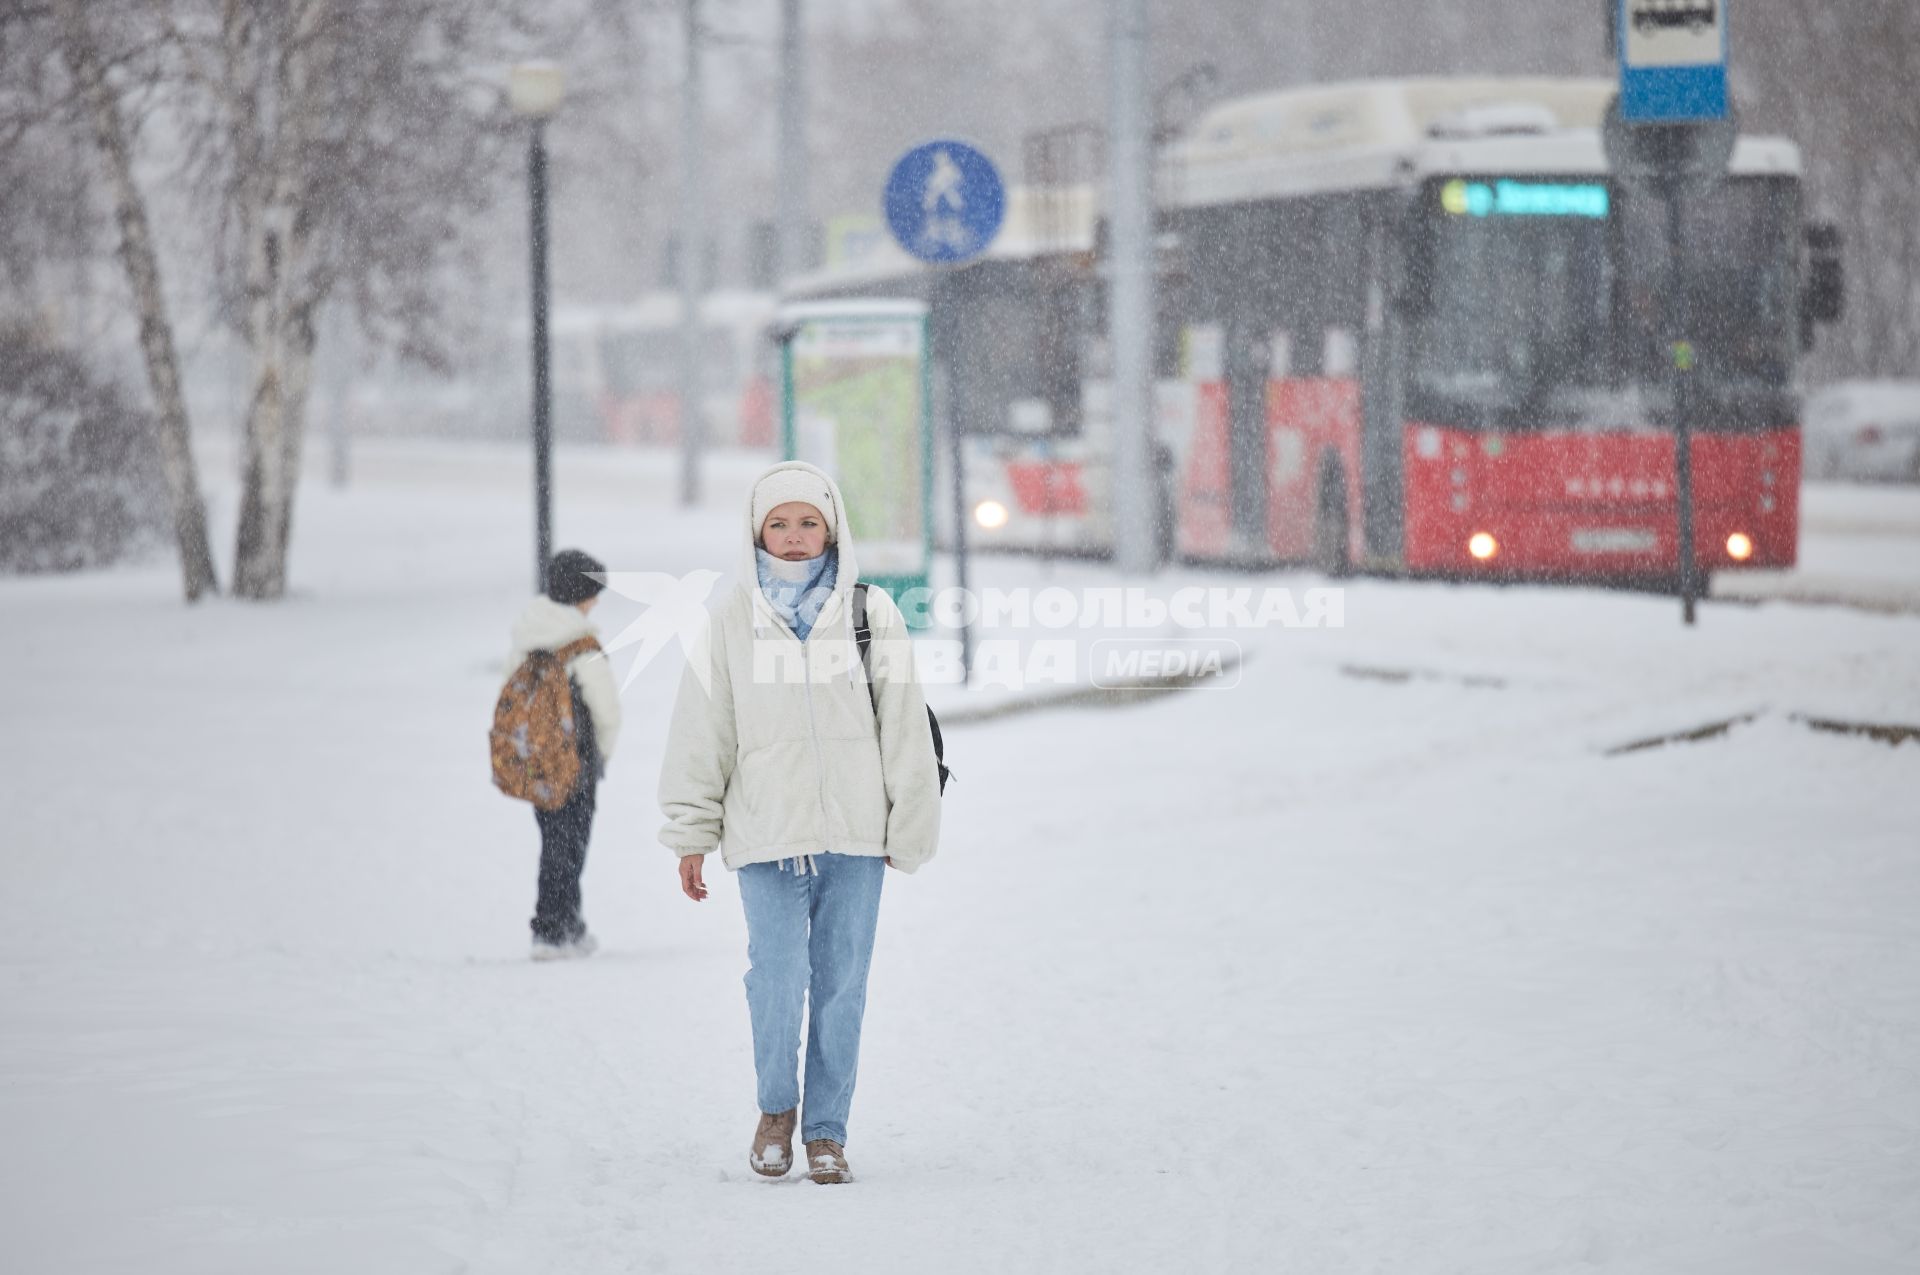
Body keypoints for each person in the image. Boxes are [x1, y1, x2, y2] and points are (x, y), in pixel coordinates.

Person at [658, 461, 941, 1185]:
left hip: (855, 835)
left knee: (843, 984)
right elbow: (702, 731)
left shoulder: (868, 613)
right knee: (779, 977)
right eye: (777, 523)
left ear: (832, 528)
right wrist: (692, 831)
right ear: (756, 530)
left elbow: (904, 728)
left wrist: (909, 824)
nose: (792, 537)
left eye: (807, 522)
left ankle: (826, 1131)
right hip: (767, 834)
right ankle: (777, 1108)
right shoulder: (729, 619)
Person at [506, 548, 622, 961]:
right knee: (570, 844)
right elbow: (607, 709)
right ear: (582, 595)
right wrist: (601, 755)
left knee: (552, 839)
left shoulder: (526, 637)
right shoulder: (581, 644)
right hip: (577, 760)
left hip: (537, 761)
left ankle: (565, 922)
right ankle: (555, 927)